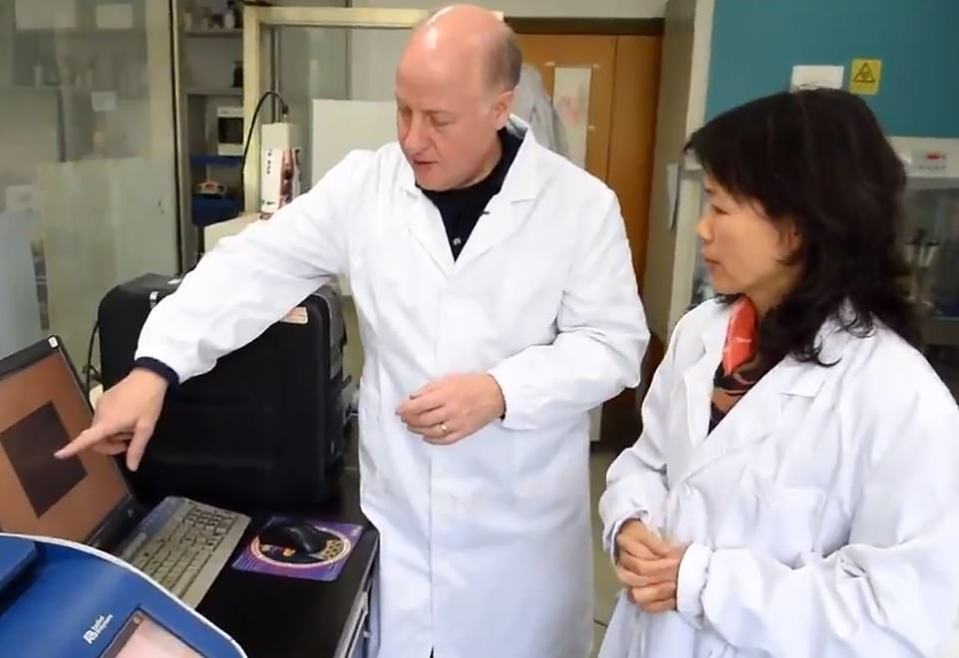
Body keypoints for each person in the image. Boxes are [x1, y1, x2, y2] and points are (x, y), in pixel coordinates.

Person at [57, 5, 650, 658]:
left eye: (439, 120)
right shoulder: (365, 188)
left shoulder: (578, 206)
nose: (413, 139)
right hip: (396, 531)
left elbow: (613, 345)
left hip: (515, 555)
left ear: (498, 106)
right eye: (402, 111)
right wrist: (155, 366)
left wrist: (499, 391)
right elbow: (251, 269)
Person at [597, 88, 959, 658]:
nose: (702, 229)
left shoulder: (899, 397)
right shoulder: (702, 334)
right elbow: (649, 461)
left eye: (720, 206)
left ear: (797, 228)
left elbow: (900, 616)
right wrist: (629, 523)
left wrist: (707, 585)